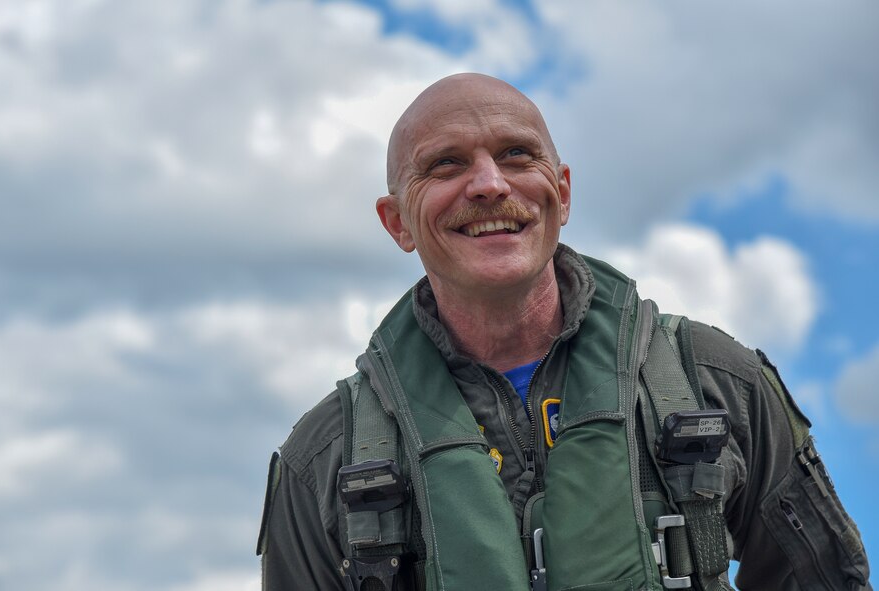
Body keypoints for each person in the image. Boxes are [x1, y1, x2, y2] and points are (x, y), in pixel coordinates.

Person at [256, 73, 871, 590]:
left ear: (563, 193)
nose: (489, 184)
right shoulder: (326, 460)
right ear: (398, 224)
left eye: (517, 156)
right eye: (446, 164)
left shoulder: (716, 384)